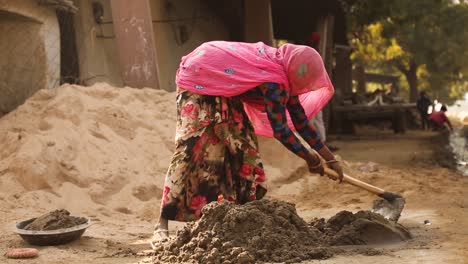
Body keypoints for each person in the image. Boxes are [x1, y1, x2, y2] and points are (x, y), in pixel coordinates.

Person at [151, 41, 344, 246]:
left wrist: (330, 159)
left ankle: (247, 219)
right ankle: (161, 224)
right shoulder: (274, 79)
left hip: (225, 88)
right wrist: (311, 158)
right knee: (191, 150)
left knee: (245, 150)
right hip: (200, 77)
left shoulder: (285, 76)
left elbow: (301, 122)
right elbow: (281, 130)